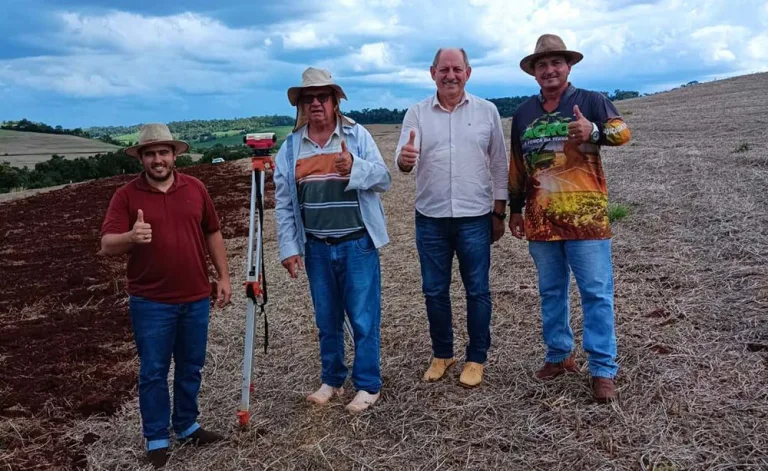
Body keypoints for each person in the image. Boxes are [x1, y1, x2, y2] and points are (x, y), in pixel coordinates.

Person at [508, 34, 632, 402]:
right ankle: (559, 356)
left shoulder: (592, 101)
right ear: (534, 72)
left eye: (555, 63)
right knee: (551, 292)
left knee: (596, 294)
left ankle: (602, 369)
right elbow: (517, 165)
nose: (549, 70)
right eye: (542, 65)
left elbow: (622, 133)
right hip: (541, 220)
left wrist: (593, 131)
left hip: (586, 220)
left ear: (569, 66)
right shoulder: (524, 113)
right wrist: (515, 210)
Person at [99, 123, 231, 468]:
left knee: (191, 366)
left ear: (174, 155)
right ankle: (157, 437)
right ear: (141, 158)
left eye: (163, 152)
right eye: (150, 153)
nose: (157, 159)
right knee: (154, 371)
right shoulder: (126, 196)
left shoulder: (196, 188)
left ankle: (187, 424)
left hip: (196, 297)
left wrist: (223, 277)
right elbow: (106, 244)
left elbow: (212, 232)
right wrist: (131, 236)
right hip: (151, 301)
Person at [273, 67, 391, 413]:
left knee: (363, 317)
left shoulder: (357, 136)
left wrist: (354, 167)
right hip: (317, 247)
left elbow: (383, 178)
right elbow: (284, 201)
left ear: (335, 101)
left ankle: (368, 384)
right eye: (308, 99)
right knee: (326, 318)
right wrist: (290, 248)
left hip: (357, 243)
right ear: (302, 105)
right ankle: (333, 379)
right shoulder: (292, 147)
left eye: (322, 97)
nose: (316, 104)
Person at [395, 48, 508, 388]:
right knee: (434, 291)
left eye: (457, 69)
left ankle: (476, 357)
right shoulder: (416, 114)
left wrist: (499, 211)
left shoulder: (487, 112)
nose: (450, 75)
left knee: (477, 291)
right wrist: (405, 157)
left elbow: (500, 163)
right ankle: (442, 353)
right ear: (432, 73)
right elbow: (403, 164)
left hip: (475, 217)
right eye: (444, 69)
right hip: (430, 218)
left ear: (468, 73)